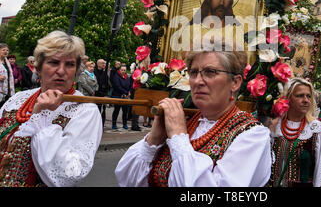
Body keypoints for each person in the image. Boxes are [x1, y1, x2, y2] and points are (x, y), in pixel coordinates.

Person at [115, 46, 272, 187]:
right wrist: (154, 140)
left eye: (210, 72)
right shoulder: (189, 124)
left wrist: (178, 136)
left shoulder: (252, 134)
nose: (197, 81)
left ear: (235, 83)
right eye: (193, 72)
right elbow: (128, 181)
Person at [0, 30, 102, 186]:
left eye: (69, 64)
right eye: (54, 62)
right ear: (39, 68)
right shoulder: (18, 99)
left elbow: (69, 175)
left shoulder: (85, 110)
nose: (61, 71)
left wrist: (41, 118)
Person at [268, 78, 321, 187]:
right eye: (300, 96)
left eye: (309, 96)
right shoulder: (274, 126)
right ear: (288, 98)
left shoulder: (317, 130)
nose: (306, 100)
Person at [111, 64, 132, 130]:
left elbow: (130, 85)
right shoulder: (116, 76)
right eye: (122, 70)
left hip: (125, 97)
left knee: (125, 111)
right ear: (119, 70)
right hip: (117, 95)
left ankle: (125, 124)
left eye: (124, 70)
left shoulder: (127, 77)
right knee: (116, 110)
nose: (123, 71)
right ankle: (114, 124)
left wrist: (129, 92)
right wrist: (125, 92)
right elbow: (117, 86)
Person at [94, 58, 109, 126]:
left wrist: (105, 94)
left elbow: (106, 84)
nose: (104, 64)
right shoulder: (94, 72)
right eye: (102, 63)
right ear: (98, 64)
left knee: (103, 111)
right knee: (96, 111)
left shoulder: (104, 73)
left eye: (104, 63)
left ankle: (101, 125)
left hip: (103, 95)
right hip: (95, 94)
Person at [0, 43, 15, 108]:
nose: (6, 52)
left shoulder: (7, 62)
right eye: (3, 50)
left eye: (7, 50)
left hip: (7, 91)